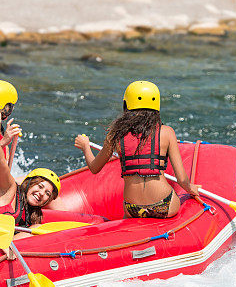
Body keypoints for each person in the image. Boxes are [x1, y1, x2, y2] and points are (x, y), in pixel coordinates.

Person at [74, 80, 199, 219]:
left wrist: (85, 146)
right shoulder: (167, 132)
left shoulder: (115, 134)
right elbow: (182, 179)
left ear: (126, 105)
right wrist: (191, 189)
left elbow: (94, 168)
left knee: (126, 213)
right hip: (164, 205)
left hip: (132, 208)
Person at [0, 120, 60, 228]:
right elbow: (1, 163)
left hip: (4, 241)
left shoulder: (34, 215)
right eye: (40, 186)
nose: (42, 193)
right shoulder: (10, 188)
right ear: (29, 183)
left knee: (36, 227)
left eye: (47, 193)